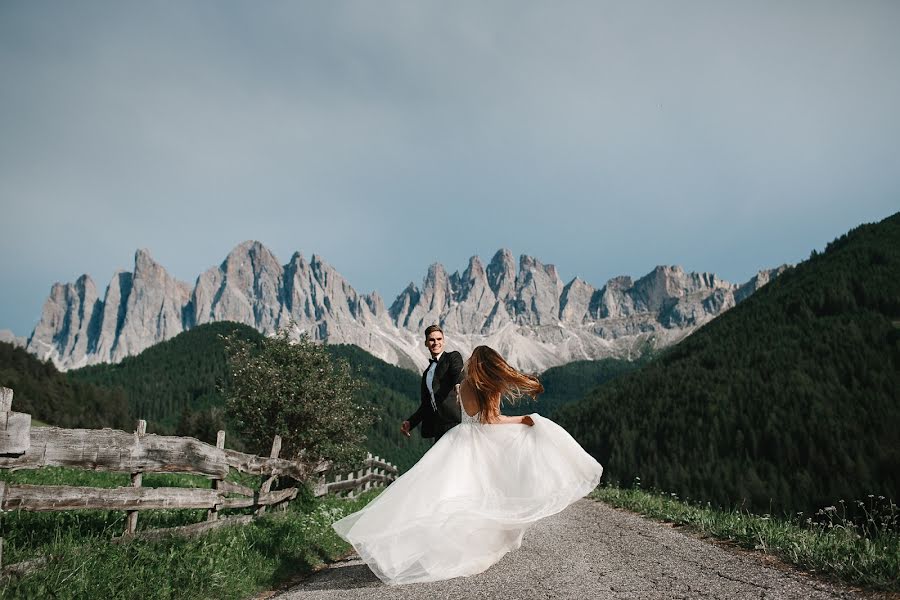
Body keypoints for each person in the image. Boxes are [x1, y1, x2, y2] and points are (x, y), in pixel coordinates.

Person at [333, 345, 604, 585]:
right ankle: (469, 547)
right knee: (480, 494)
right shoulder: (490, 386)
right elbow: (491, 421)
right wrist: (524, 419)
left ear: (475, 364)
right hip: (480, 441)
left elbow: (473, 419)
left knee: (443, 493)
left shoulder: (462, 387)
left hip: (459, 438)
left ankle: (416, 547)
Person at [400, 324, 463, 444]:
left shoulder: (452, 357)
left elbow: (457, 371)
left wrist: (459, 384)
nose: (435, 342)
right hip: (438, 428)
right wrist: (410, 422)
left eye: (439, 339)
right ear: (426, 343)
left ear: (443, 341)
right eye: (432, 340)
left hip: (456, 422)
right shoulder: (426, 374)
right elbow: (426, 405)